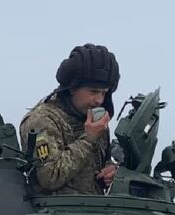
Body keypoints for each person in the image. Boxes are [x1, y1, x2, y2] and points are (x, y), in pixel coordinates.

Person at [20, 43, 120, 195]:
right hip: (54, 208)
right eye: (93, 92)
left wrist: (110, 170)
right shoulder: (43, 120)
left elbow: (101, 162)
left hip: (94, 206)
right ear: (72, 88)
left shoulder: (93, 120)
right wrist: (89, 139)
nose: (99, 100)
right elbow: (49, 177)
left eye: (104, 93)